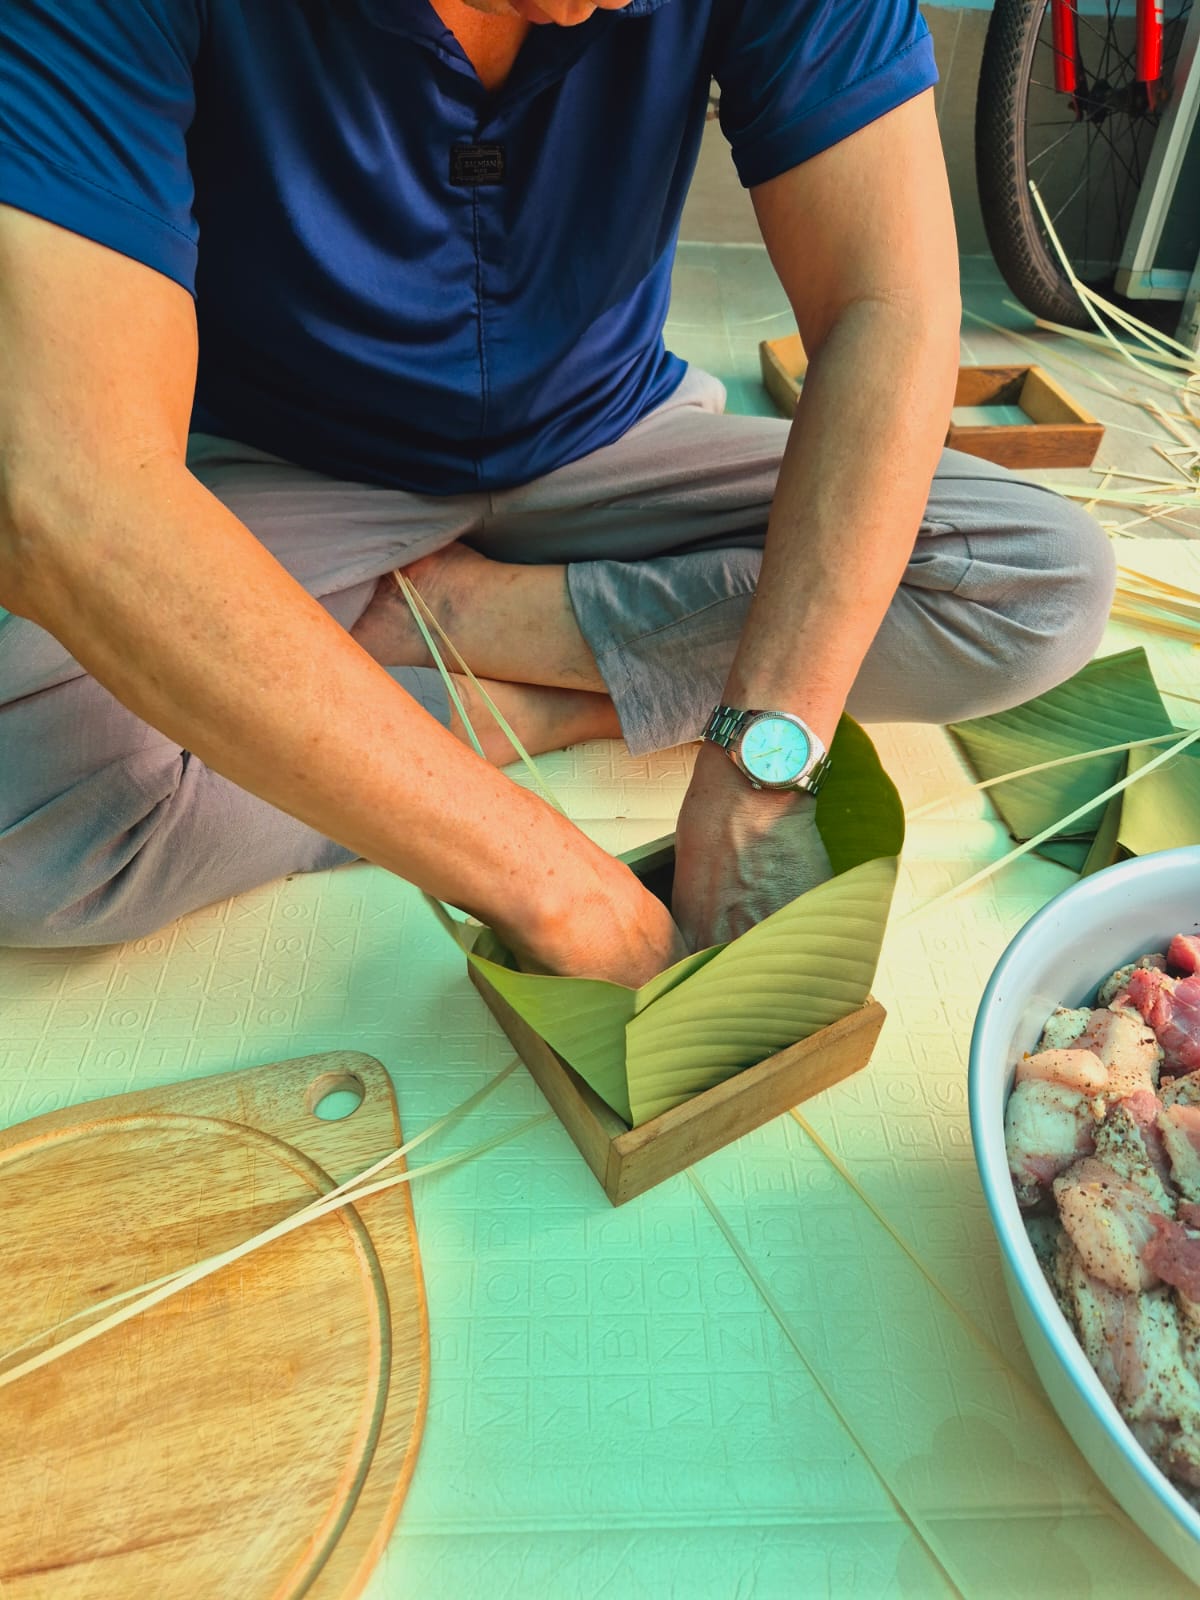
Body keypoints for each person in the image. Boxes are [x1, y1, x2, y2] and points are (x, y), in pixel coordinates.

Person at [0, 0, 1114, 982]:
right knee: (27, 816)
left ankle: (482, 633)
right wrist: (547, 879)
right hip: (293, 464)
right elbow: (64, 489)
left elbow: (890, 304)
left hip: (607, 433)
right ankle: (503, 693)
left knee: (1039, 584)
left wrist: (759, 754)